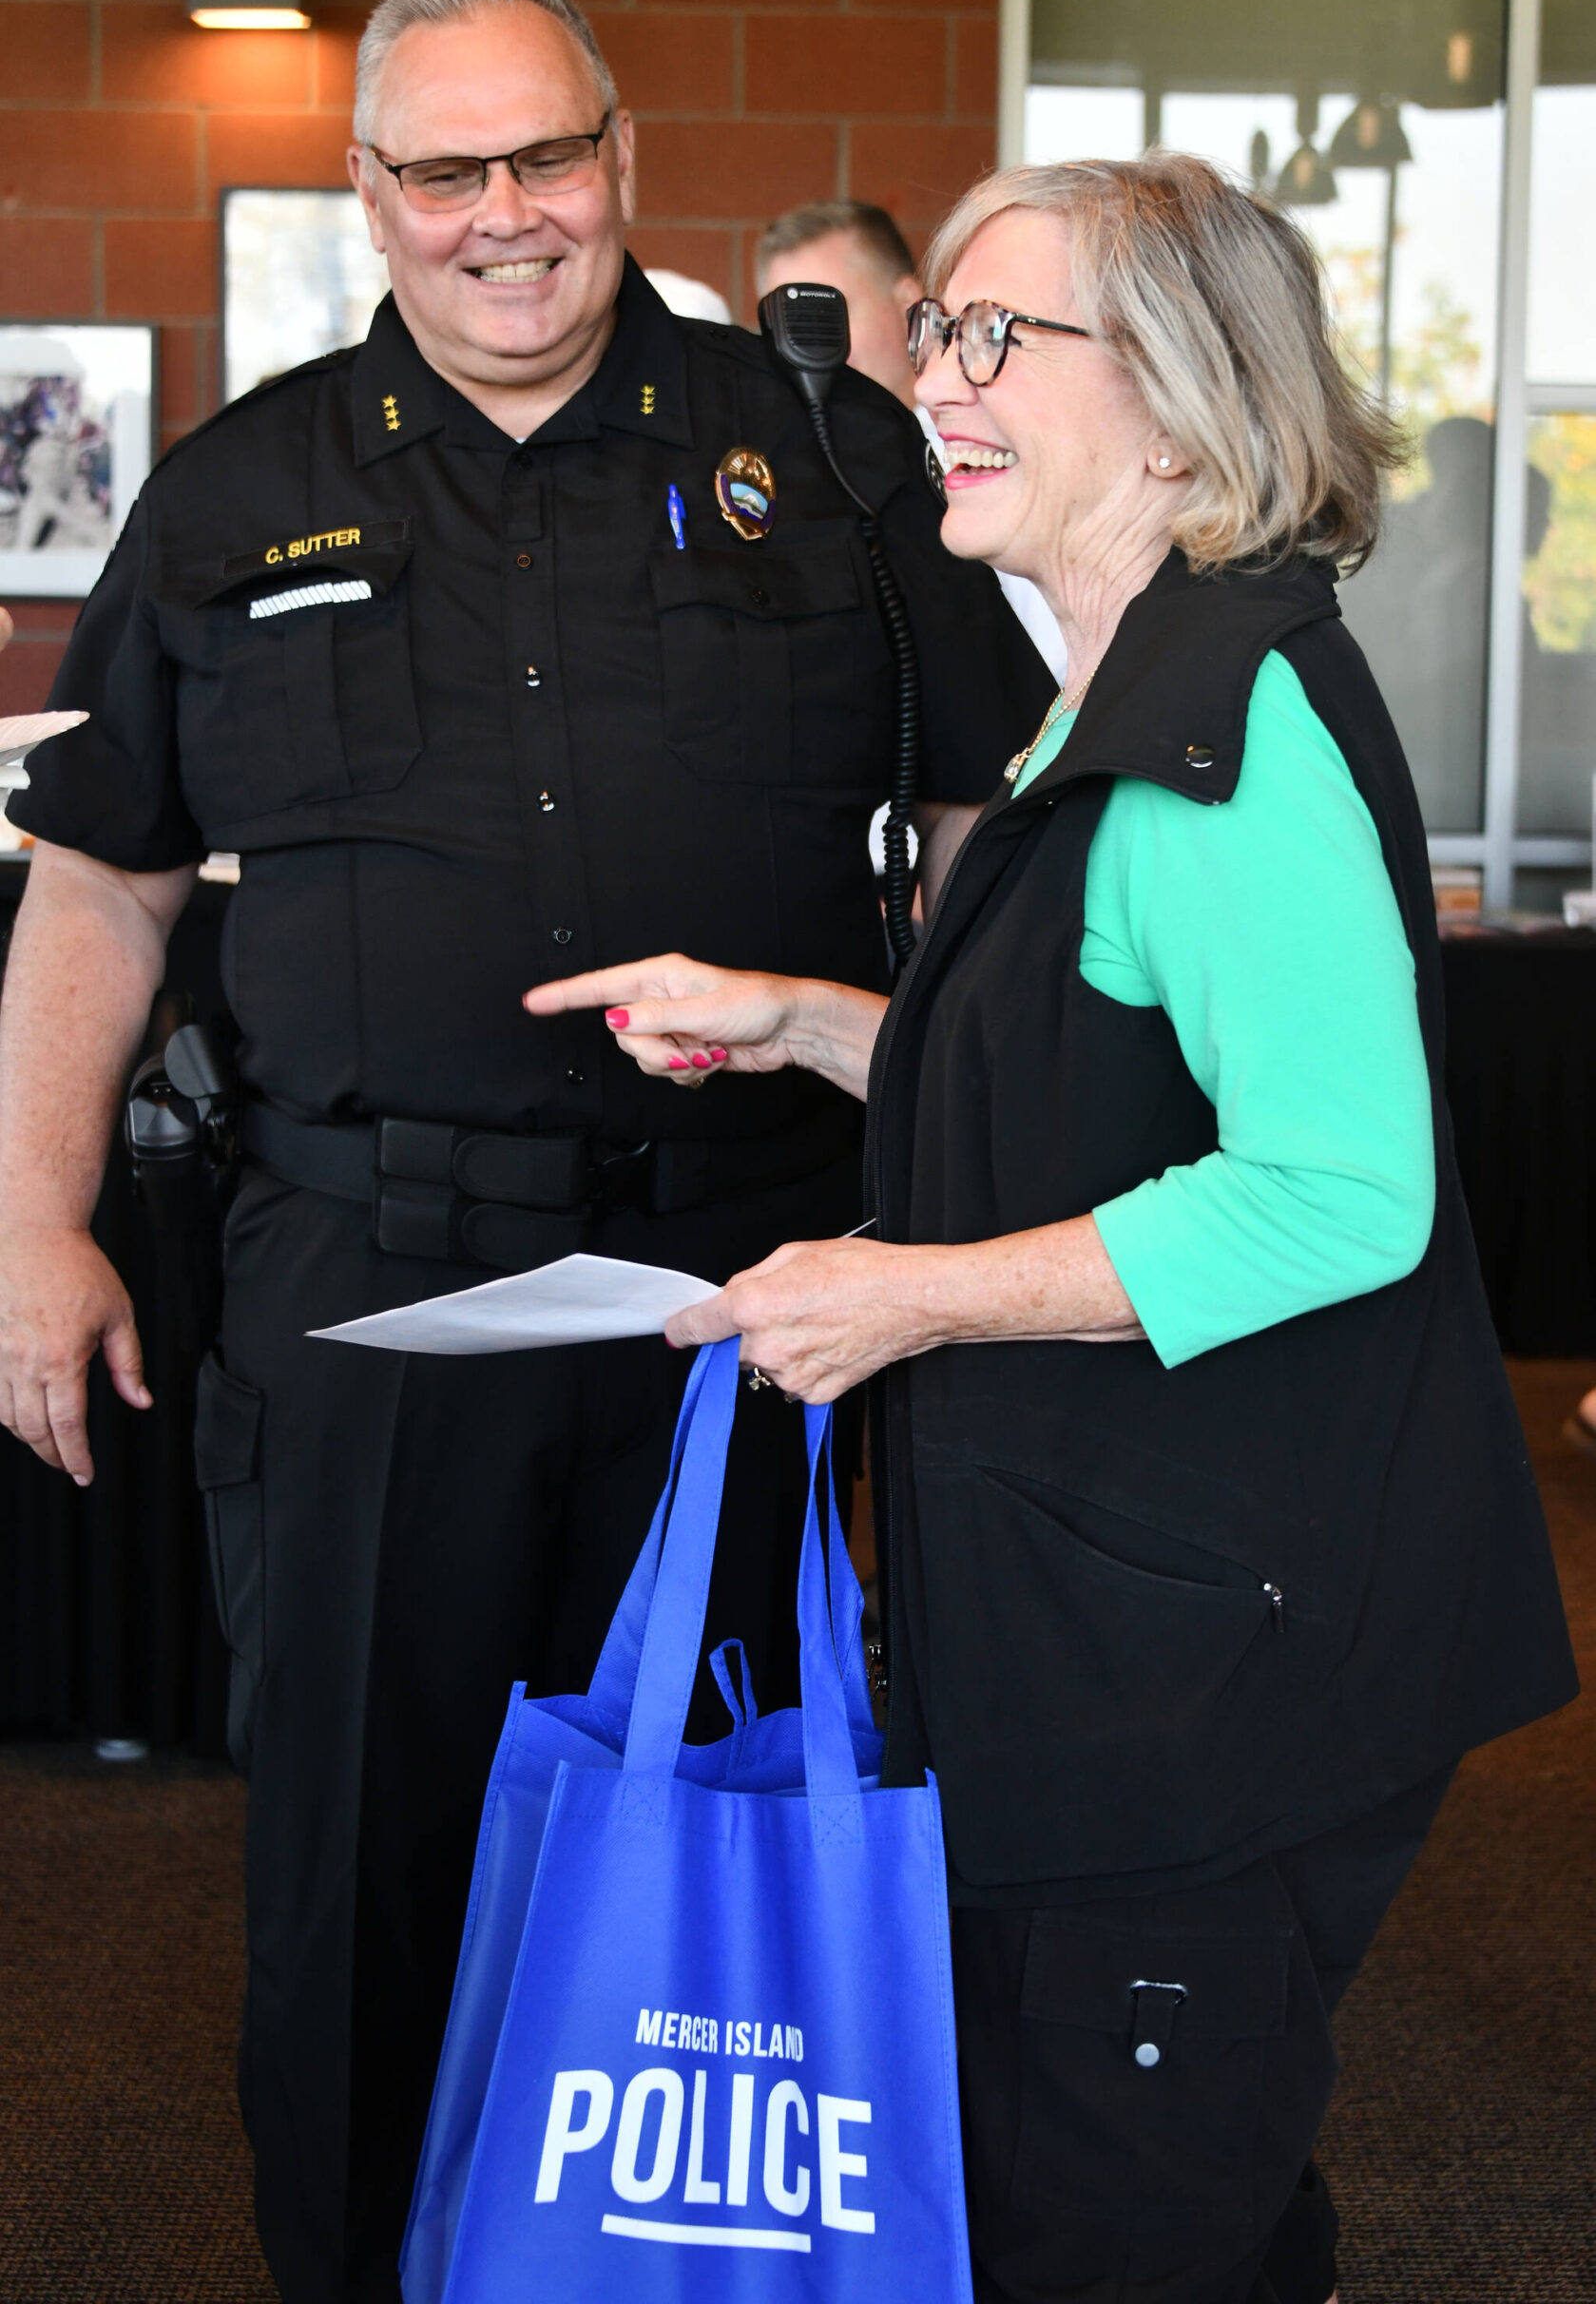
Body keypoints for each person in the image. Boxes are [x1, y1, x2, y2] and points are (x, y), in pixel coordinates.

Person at [0, 0, 1049, 2304]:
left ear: (620, 160)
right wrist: (24, 1220)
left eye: (542, 156)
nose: (503, 214)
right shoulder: (232, 493)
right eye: (442, 168)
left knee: (731, 1862)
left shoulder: (829, 454)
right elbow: (98, 881)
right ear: (369, 195)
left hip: (746, 1307)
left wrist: (947, 1117)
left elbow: (992, 821)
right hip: (376, 1305)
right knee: (364, 1888)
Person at [529, 154, 1579, 2304]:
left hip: (1207, 1670)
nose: (939, 380)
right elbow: (1074, 1065)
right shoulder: (1115, 696)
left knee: (1127, 2220)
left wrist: (897, 1296)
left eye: (1002, 339)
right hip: (1135, 1624)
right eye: (942, 334)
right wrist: (813, 1021)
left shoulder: (1225, 733)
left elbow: (1330, 1191)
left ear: (1183, 415)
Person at [760, 199, 1067, 682]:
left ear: (908, 302)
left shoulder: (991, 452)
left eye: (831, 315)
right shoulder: (784, 475)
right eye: (790, 327)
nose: (812, 349)